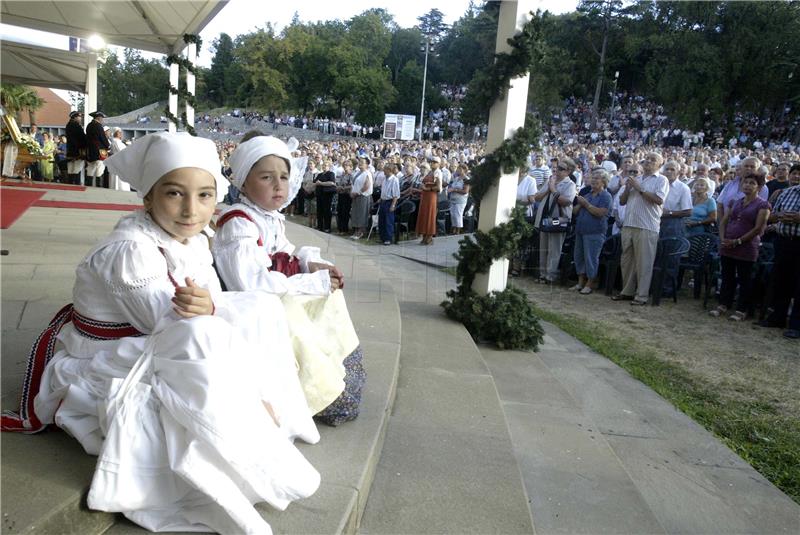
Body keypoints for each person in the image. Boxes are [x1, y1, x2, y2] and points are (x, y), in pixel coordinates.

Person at [1, 132, 320, 533]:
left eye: (205, 196)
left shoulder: (193, 240)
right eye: (174, 194)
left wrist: (220, 319)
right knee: (206, 334)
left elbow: (207, 309)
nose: (191, 210)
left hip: (155, 341)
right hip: (102, 356)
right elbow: (174, 327)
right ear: (148, 198)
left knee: (258, 308)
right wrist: (220, 326)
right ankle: (242, 437)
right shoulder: (129, 250)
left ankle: (258, 422)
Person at [212, 135, 365, 425]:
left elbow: (284, 250)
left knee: (330, 298)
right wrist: (310, 282)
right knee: (296, 314)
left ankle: (339, 375)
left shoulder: (267, 216)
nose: (278, 185)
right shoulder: (239, 224)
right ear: (244, 182)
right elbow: (250, 284)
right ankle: (320, 394)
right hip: (249, 307)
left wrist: (310, 263)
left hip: (270, 293)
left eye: (283, 176)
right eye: (267, 177)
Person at [710, 173, 770, 321]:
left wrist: (737, 241)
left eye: (752, 183)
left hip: (747, 247)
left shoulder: (763, 205)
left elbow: (757, 228)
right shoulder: (735, 202)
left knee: (745, 279)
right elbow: (724, 220)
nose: (747, 185)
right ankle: (723, 304)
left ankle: (741, 309)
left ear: (759, 187)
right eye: (745, 182)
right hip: (728, 245)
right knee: (727, 276)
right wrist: (723, 238)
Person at [612, 152, 669, 306]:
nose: (648, 161)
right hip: (629, 224)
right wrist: (627, 189)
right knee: (627, 261)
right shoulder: (636, 179)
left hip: (647, 226)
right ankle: (627, 291)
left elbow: (659, 200)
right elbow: (623, 202)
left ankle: (641, 295)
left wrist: (640, 188)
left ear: (659, 164)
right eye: (647, 159)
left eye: (653, 160)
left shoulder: (662, 180)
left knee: (644, 263)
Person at [760, 172, 800, 339]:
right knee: (781, 280)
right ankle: (777, 318)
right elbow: (772, 216)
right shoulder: (788, 192)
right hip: (783, 242)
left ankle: (796, 326)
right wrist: (781, 217)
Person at [533, 157, 577, 283]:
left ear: (568, 171)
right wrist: (548, 187)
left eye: (561, 169)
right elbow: (537, 197)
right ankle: (542, 274)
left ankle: (550, 276)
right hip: (545, 218)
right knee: (543, 248)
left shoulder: (570, 184)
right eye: (557, 167)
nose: (557, 171)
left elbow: (566, 201)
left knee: (554, 248)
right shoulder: (551, 180)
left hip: (559, 220)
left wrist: (553, 189)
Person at [571, 168, 612, 294]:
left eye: (596, 178)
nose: (593, 180)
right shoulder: (587, 194)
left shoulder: (606, 196)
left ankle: (590, 283)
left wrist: (587, 205)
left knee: (591, 258)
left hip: (595, 232)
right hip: (581, 231)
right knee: (579, 257)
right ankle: (580, 282)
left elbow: (601, 213)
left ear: (604, 181)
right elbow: (574, 211)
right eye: (592, 178)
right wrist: (580, 204)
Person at [659, 159, 692, 238]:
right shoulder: (658, 184)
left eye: (672, 169)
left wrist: (669, 213)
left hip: (673, 224)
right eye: (667, 169)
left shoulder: (683, 188)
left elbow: (688, 212)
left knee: (671, 249)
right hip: (656, 221)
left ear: (678, 172)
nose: (669, 172)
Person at [416, 156, 443, 245]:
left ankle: (429, 237)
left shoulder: (438, 173)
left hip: (431, 196)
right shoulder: (430, 172)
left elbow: (438, 187)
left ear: (438, 164)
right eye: (431, 162)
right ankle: (424, 236)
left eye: (434, 162)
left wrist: (427, 189)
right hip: (425, 196)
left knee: (429, 216)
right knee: (424, 215)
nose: (432, 163)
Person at [349, 156, 373, 240]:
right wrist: (352, 192)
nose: (360, 164)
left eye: (362, 162)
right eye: (359, 162)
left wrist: (358, 192)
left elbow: (367, 185)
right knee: (356, 213)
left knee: (362, 214)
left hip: (363, 196)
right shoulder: (357, 173)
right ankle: (356, 230)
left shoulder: (367, 173)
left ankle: (361, 232)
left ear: (367, 165)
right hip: (355, 196)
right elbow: (353, 184)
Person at [85, 111, 111, 188]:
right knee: (100, 168)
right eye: (102, 118)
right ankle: (98, 187)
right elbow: (102, 138)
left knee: (90, 168)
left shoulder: (89, 125)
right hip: (99, 151)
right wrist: (108, 145)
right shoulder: (98, 126)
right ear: (99, 118)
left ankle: (88, 185)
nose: (103, 120)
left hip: (90, 151)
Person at [378, 161, 400, 245]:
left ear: (389, 170)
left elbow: (395, 194)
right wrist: (380, 199)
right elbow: (383, 191)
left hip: (390, 202)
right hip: (383, 201)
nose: (383, 171)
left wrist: (393, 205)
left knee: (388, 221)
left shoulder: (394, 180)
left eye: (385, 169)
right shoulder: (384, 179)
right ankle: (382, 237)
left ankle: (388, 238)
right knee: (382, 220)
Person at [447, 163, 471, 234]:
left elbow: (465, 191)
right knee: (453, 214)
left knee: (458, 215)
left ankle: (458, 230)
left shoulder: (466, 179)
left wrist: (454, 190)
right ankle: (454, 228)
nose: (458, 170)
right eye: (458, 168)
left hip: (460, 200)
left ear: (464, 170)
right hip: (453, 199)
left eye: (460, 169)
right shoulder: (456, 178)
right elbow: (452, 186)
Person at [313, 161, 336, 233]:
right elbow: (315, 182)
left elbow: (332, 183)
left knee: (327, 211)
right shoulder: (319, 174)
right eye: (323, 165)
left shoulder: (331, 174)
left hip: (327, 195)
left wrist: (321, 183)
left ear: (329, 166)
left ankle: (327, 227)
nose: (324, 167)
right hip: (319, 194)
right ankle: (320, 226)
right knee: (319, 211)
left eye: (326, 165)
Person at [65, 111, 87, 185]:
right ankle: (76, 185)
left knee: (70, 169)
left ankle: (70, 184)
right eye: (79, 117)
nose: (80, 118)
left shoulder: (68, 125)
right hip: (78, 150)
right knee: (77, 169)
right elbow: (82, 138)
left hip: (70, 150)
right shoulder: (77, 126)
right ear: (75, 117)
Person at [335, 159, 353, 235]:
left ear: (350, 167)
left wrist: (343, 188)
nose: (345, 167)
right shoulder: (342, 174)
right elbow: (339, 183)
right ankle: (340, 228)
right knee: (340, 211)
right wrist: (338, 187)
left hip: (347, 195)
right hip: (341, 194)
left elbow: (351, 185)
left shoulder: (351, 175)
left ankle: (345, 229)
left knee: (345, 212)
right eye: (344, 165)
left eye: (347, 165)